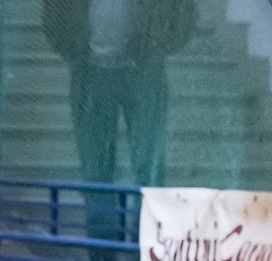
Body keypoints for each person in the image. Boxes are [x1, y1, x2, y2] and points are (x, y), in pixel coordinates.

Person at [40, 0, 194, 247]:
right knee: (96, 170)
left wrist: (156, 49)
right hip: (91, 74)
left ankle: (147, 249)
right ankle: (102, 251)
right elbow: (53, 13)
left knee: (149, 168)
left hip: (144, 72)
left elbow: (184, 11)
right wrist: (74, 52)